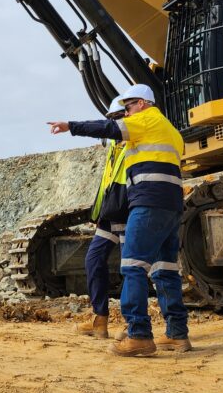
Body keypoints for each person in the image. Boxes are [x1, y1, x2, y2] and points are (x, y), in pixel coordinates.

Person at [49, 83, 189, 357]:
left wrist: (70, 125)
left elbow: (108, 129)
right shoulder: (171, 131)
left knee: (133, 266)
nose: (126, 114)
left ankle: (139, 335)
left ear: (144, 104)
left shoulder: (145, 120)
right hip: (171, 205)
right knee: (165, 269)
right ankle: (177, 334)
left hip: (148, 202)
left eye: (129, 107)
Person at [75, 101, 128, 340]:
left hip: (129, 214)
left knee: (131, 270)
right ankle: (99, 320)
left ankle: (132, 325)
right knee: (93, 261)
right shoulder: (114, 150)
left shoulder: (135, 144)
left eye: (115, 119)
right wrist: (98, 214)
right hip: (110, 215)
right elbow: (107, 184)